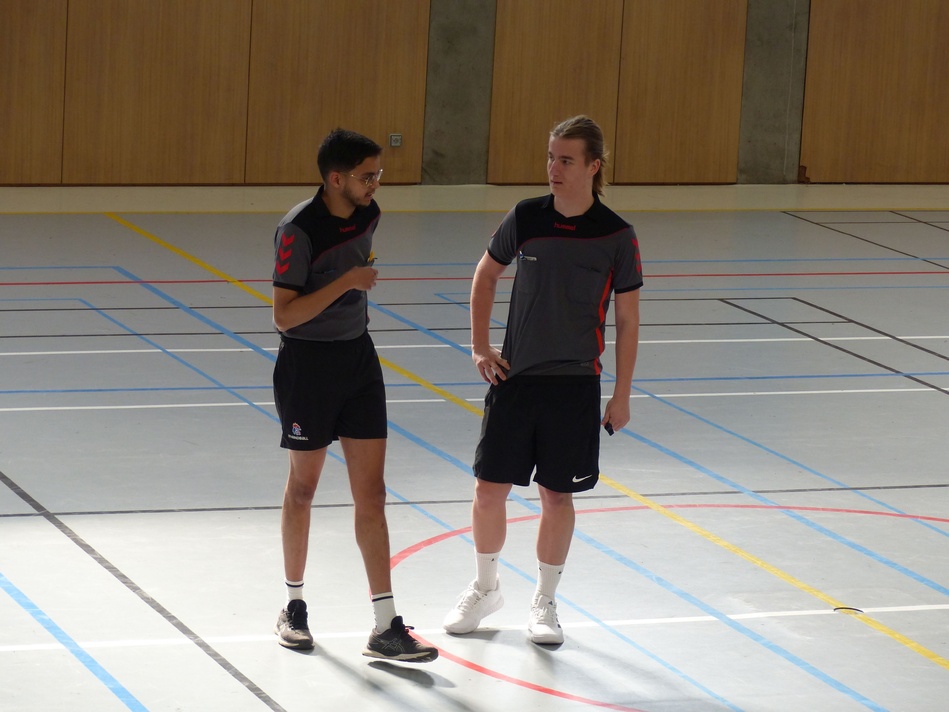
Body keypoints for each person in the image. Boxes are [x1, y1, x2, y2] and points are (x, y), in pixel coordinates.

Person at [443, 115, 642, 645]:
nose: (554, 168)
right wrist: (479, 345)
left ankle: (545, 601)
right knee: (489, 490)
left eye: (566, 160)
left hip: (574, 386)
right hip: (516, 380)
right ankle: (485, 588)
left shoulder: (617, 235)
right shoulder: (527, 216)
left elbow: (627, 320)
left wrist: (621, 394)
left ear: (593, 166)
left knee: (557, 497)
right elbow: (486, 274)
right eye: (551, 157)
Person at [271, 128, 437, 663]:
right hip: (307, 367)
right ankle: (293, 607)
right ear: (335, 178)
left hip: (358, 362)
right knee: (303, 488)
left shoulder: (369, 214)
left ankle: (385, 625)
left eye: (378, 175)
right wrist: (347, 281)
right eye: (367, 176)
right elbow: (284, 315)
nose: (375, 184)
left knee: (373, 494)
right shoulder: (298, 230)